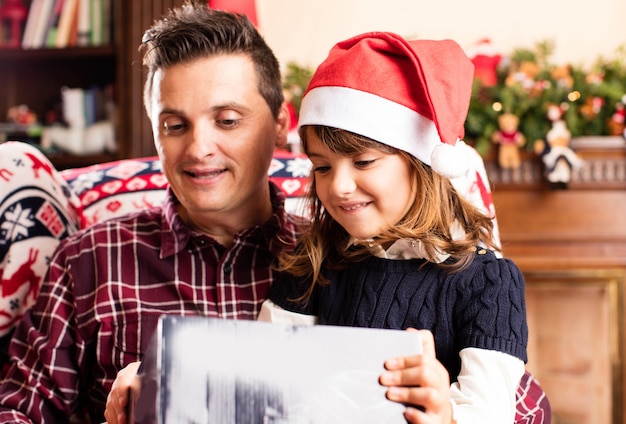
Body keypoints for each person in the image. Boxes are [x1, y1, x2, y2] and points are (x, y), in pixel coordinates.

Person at [0, 2, 301, 422]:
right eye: (175, 126)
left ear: (281, 123)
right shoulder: (87, 261)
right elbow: (15, 411)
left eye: (228, 120)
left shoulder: (337, 257)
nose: (198, 149)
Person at [258, 32, 534, 423]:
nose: (337, 187)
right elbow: (263, 383)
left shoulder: (488, 283)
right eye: (322, 166)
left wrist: (444, 415)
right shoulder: (310, 264)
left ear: (420, 163)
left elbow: (489, 412)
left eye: (363, 162)